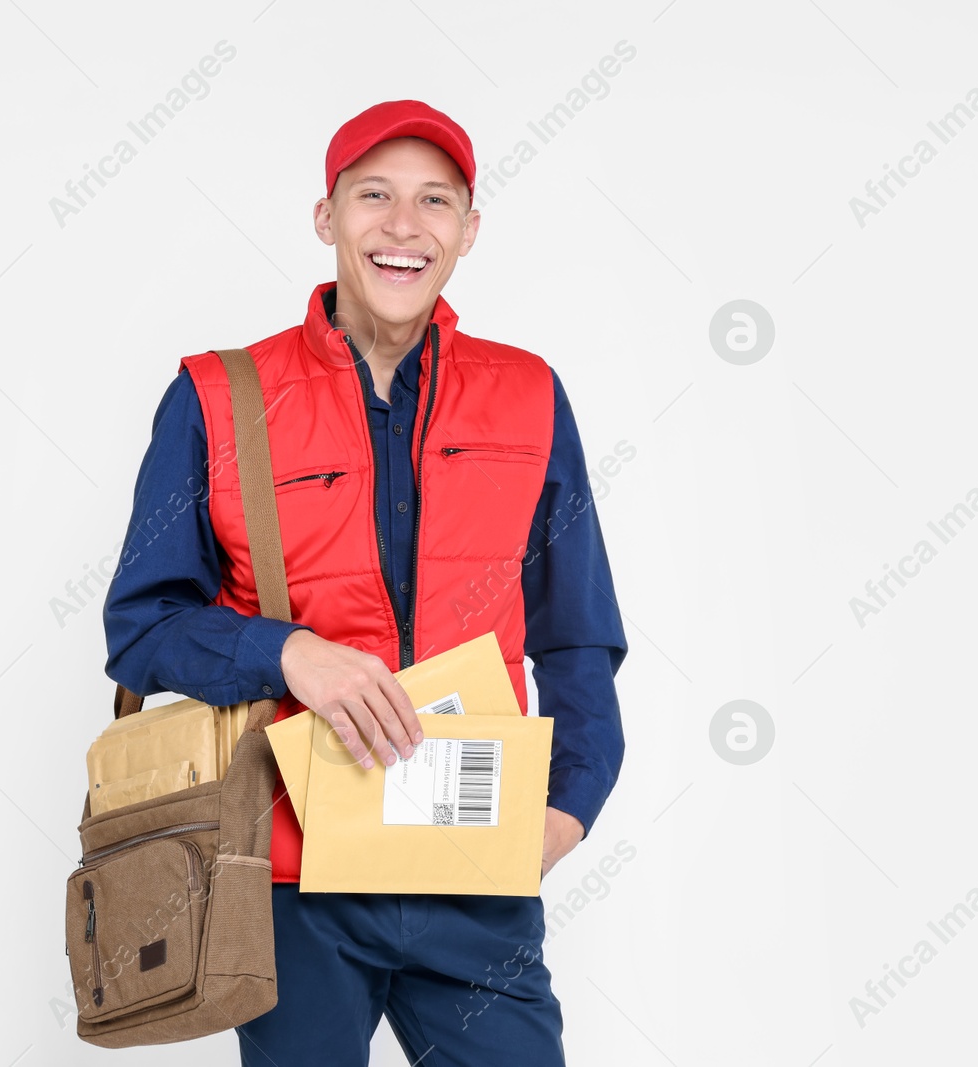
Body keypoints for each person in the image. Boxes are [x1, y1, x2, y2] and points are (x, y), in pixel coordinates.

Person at [101, 99, 629, 1065]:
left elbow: (578, 631)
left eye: (434, 201)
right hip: (290, 879)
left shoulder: (529, 395)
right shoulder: (218, 398)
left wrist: (568, 809)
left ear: (467, 232)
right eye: (372, 195)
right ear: (327, 217)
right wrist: (289, 653)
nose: (402, 224)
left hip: (474, 875)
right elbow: (143, 628)